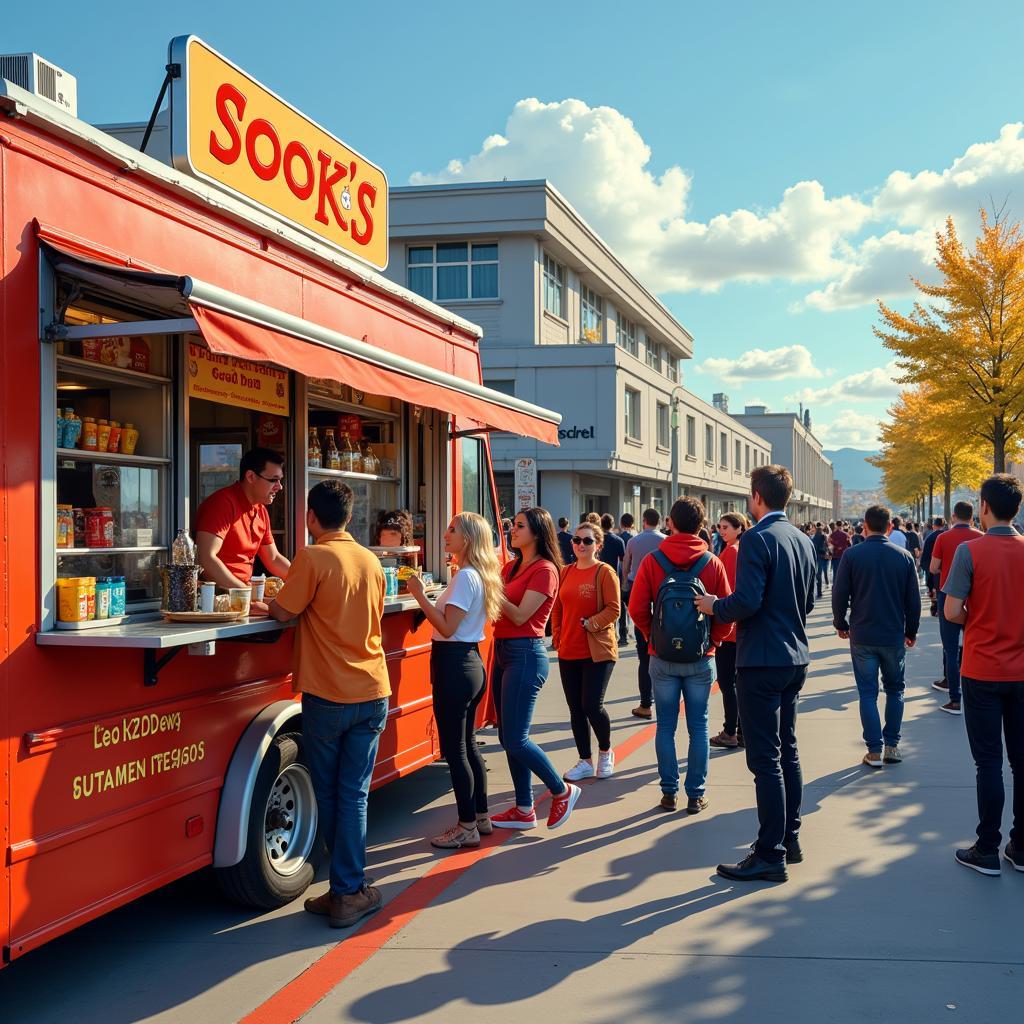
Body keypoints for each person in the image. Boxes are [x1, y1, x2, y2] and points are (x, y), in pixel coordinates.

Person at [268, 481, 389, 928]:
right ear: (349, 516)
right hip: (372, 691)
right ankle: (346, 890)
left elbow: (283, 612)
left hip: (329, 695)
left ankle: (346, 891)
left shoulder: (313, 558)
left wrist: (265, 599)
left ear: (311, 518)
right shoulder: (370, 559)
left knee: (331, 795)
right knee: (352, 795)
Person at [696, 465, 816, 883]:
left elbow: (746, 601)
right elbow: (811, 598)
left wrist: (715, 606)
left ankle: (770, 852)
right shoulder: (801, 538)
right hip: (795, 656)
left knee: (765, 760)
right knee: (788, 751)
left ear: (757, 497)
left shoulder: (757, 539)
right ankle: (790, 838)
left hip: (762, 658)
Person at [942, 474, 1024, 876]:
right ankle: (1022, 846)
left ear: (984, 507)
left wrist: (980, 616)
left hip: (981, 668)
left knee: (988, 762)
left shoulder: (969, 552)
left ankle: (987, 847)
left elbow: (952, 611)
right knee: (1023, 761)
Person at [629, 498, 732, 814]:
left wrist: (653, 637)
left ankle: (668, 792)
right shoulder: (712, 562)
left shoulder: (653, 561)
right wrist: (712, 641)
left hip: (661, 658)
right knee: (699, 726)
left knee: (666, 726)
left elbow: (635, 608)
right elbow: (726, 612)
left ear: (670, 523)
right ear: (702, 526)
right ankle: (695, 793)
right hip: (701, 658)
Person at [407, 513, 503, 850]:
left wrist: (420, 595)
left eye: (452, 530)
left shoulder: (466, 577)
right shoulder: (471, 575)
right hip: (468, 663)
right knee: (468, 745)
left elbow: (447, 627)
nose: (445, 533)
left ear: (468, 539)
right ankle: (480, 817)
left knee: (455, 749)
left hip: (454, 665)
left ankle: (465, 827)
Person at [490, 508, 581, 831]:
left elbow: (519, 615)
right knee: (506, 735)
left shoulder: (545, 570)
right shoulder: (511, 566)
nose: (512, 530)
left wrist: (491, 584)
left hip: (526, 654)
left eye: (519, 526)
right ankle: (524, 808)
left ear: (537, 533)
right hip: (503, 652)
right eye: (512, 525)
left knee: (516, 738)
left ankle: (561, 789)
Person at [832, 505, 921, 769]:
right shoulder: (903, 557)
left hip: (862, 634)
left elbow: (839, 593)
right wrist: (911, 631)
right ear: (890, 527)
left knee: (868, 692)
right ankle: (892, 745)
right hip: (893, 634)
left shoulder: (852, 555)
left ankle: (873, 750)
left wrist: (841, 622)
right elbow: (913, 601)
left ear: (864, 526)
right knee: (895, 689)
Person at [551, 520, 621, 782]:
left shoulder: (604, 572)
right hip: (568, 649)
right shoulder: (565, 572)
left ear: (598, 545)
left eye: (587, 540)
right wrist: (557, 634)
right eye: (577, 540)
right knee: (575, 709)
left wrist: (592, 623)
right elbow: (558, 605)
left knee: (592, 704)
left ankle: (605, 751)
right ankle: (584, 760)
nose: (581, 544)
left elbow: (614, 609)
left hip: (597, 650)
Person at [195, 447, 291, 608]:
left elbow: (273, 558)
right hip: (215, 598)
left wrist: (306, 582)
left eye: (280, 480)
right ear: (251, 476)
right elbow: (205, 558)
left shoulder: (261, 510)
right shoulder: (222, 503)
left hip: (242, 594)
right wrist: (245, 595)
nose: (279, 487)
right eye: (273, 480)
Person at [930, 501, 983, 715]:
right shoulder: (981, 536)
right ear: (972, 517)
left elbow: (933, 567)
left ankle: (954, 698)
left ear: (953, 516)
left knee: (950, 648)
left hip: (948, 593)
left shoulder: (943, 537)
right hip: (976, 596)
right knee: (975, 644)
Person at [621, 508, 664, 719]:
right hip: (662, 594)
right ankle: (661, 701)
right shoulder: (666, 540)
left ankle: (645, 703)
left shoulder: (634, 541)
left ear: (644, 521)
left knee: (643, 653)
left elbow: (626, 565)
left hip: (638, 589)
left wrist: (624, 586)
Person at [710, 512, 747, 749]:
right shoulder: (741, 549)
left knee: (727, 682)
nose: (722, 531)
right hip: (742, 627)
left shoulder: (731, 553)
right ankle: (741, 730)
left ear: (739, 528)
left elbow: (725, 589)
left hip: (729, 627)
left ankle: (730, 730)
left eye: (726, 527)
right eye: (720, 527)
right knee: (738, 682)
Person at [617, 514, 635, 644]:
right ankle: (635, 632)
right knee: (633, 605)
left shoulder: (619, 538)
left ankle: (623, 633)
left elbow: (622, 561)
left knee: (622, 605)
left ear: (622, 524)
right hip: (634, 577)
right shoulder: (636, 538)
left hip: (621, 575)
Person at [598, 512, 626, 577]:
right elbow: (623, 561)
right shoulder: (619, 540)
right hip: (613, 574)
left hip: (598, 574)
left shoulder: (595, 540)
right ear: (612, 525)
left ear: (601, 525)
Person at [811, 522, 830, 598]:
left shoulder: (814, 537)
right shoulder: (824, 536)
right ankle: (826, 584)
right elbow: (827, 544)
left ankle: (819, 592)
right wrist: (829, 553)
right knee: (825, 571)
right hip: (824, 556)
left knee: (818, 575)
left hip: (817, 556)